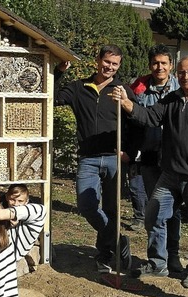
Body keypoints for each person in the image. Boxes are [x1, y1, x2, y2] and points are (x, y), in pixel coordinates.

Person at [114, 55, 188, 288]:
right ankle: (158, 264)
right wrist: (127, 103)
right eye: (181, 73)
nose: (186, 76)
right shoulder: (171, 100)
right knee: (154, 215)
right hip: (169, 175)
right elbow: (149, 117)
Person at [54, 44, 134, 273]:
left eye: (115, 64)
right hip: (88, 158)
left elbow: (136, 120)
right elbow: (54, 97)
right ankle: (118, 239)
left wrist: (129, 151)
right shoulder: (80, 88)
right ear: (97, 60)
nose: (109, 67)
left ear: (118, 67)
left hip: (113, 157)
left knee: (111, 209)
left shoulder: (122, 90)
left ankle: (105, 254)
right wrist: (60, 71)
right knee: (87, 206)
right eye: (106, 61)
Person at [129, 44, 183, 273]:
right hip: (150, 157)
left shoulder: (182, 89)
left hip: (176, 159)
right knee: (154, 209)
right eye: (155, 63)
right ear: (150, 65)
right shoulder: (140, 91)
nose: (159, 67)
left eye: (164, 63)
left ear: (171, 65)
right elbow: (132, 123)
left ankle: (173, 256)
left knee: (174, 211)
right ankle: (157, 259)